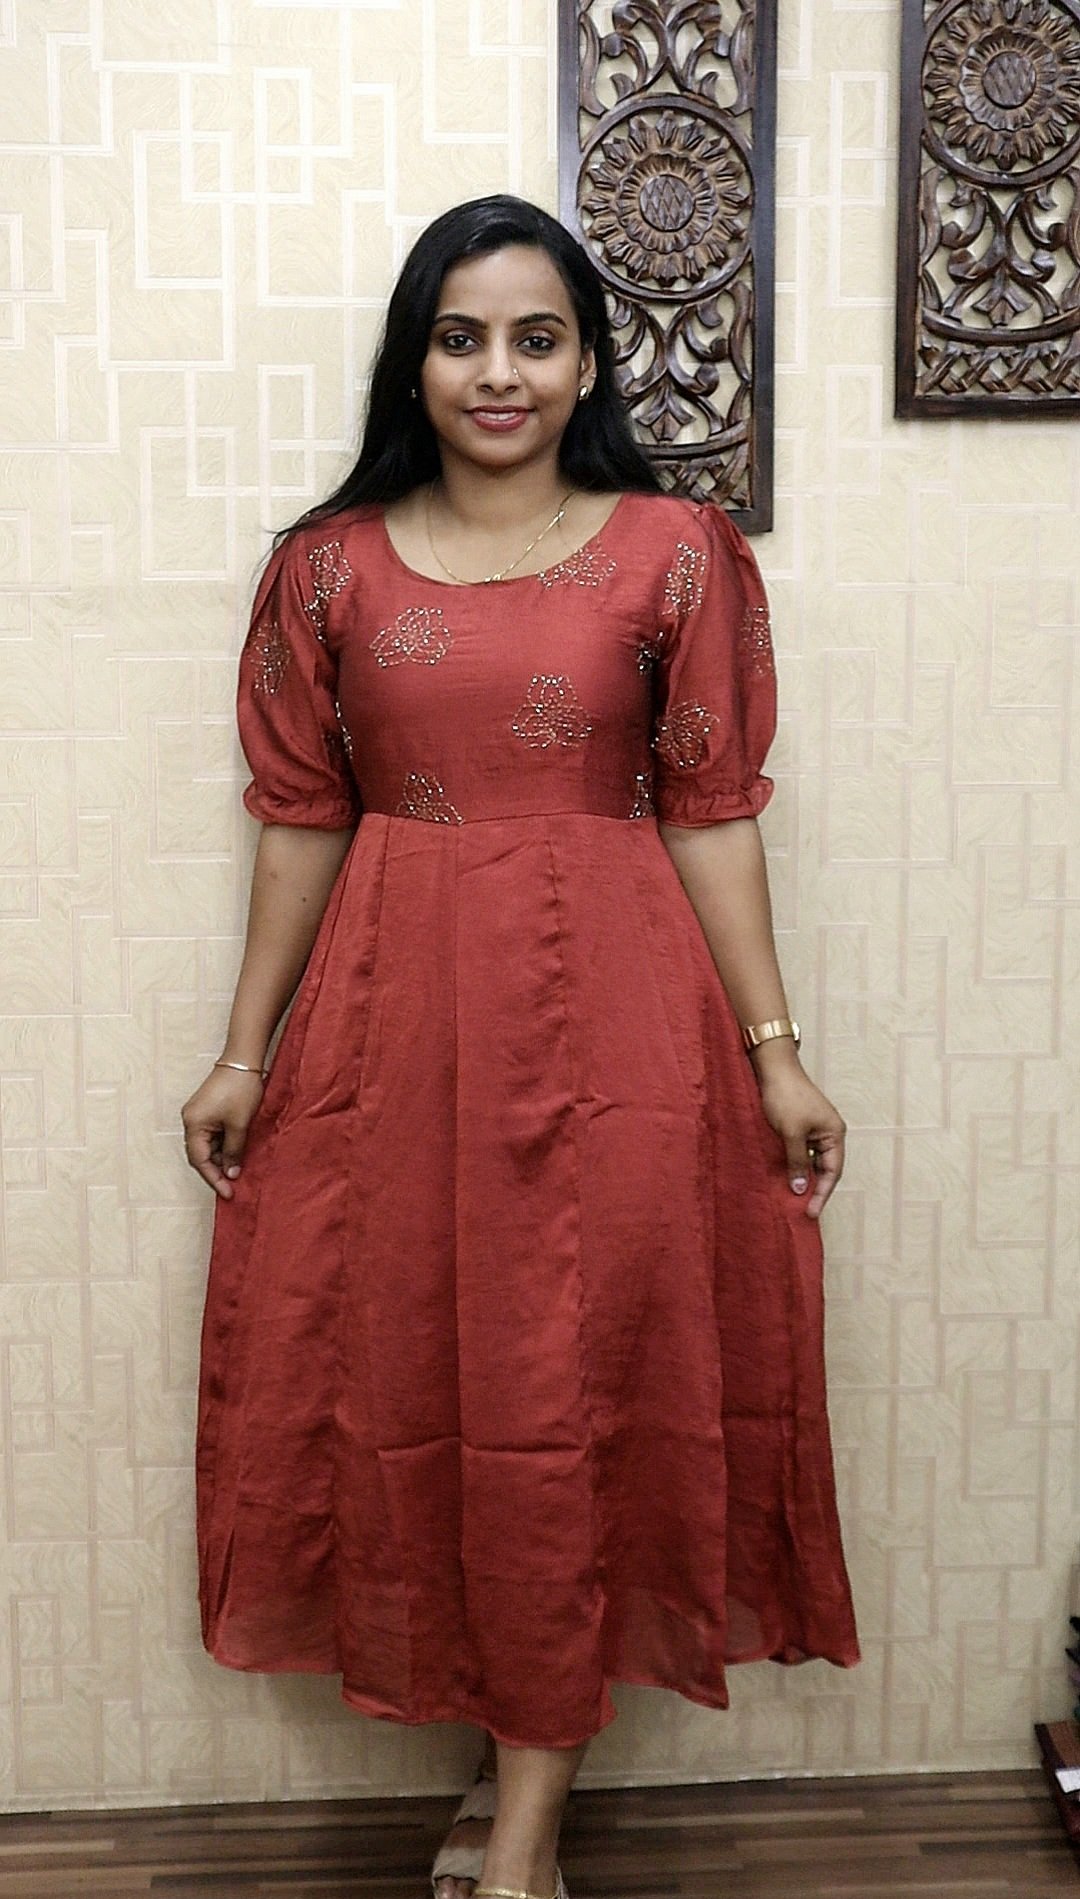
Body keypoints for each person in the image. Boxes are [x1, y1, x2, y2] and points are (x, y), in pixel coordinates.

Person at [182, 194, 860, 1899]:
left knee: (576, 1386)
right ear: (415, 362)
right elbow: (299, 818)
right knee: (422, 1379)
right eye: (462, 336)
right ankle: (504, 1780)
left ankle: (525, 1851)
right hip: (396, 1021)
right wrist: (246, 1055)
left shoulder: (675, 551)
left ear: (588, 365)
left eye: (536, 338)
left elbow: (711, 809)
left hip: (617, 1019)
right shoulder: (326, 567)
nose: (500, 372)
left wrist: (776, 1048)